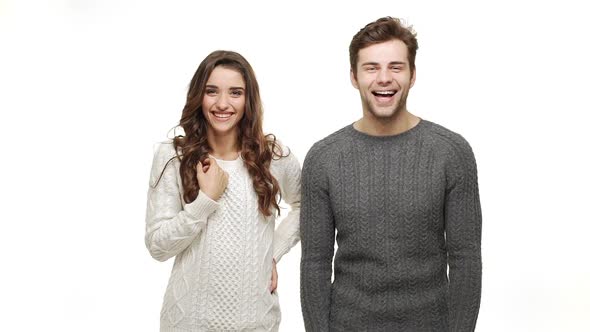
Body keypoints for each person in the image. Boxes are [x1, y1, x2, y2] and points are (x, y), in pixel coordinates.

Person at [300, 17, 482, 331]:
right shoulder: (324, 157)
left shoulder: (451, 152)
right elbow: (314, 263)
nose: (384, 78)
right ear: (354, 77)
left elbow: (466, 259)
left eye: (396, 67)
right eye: (371, 68)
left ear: (412, 76)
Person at [145, 50, 301, 332]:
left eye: (235, 93)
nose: (222, 104)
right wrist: (205, 200)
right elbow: (157, 246)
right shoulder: (174, 156)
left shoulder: (274, 157)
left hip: (256, 321)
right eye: (212, 91)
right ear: (198, 96)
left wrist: (272, 254)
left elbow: (305, 205)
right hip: (188, 321)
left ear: (248, 99)